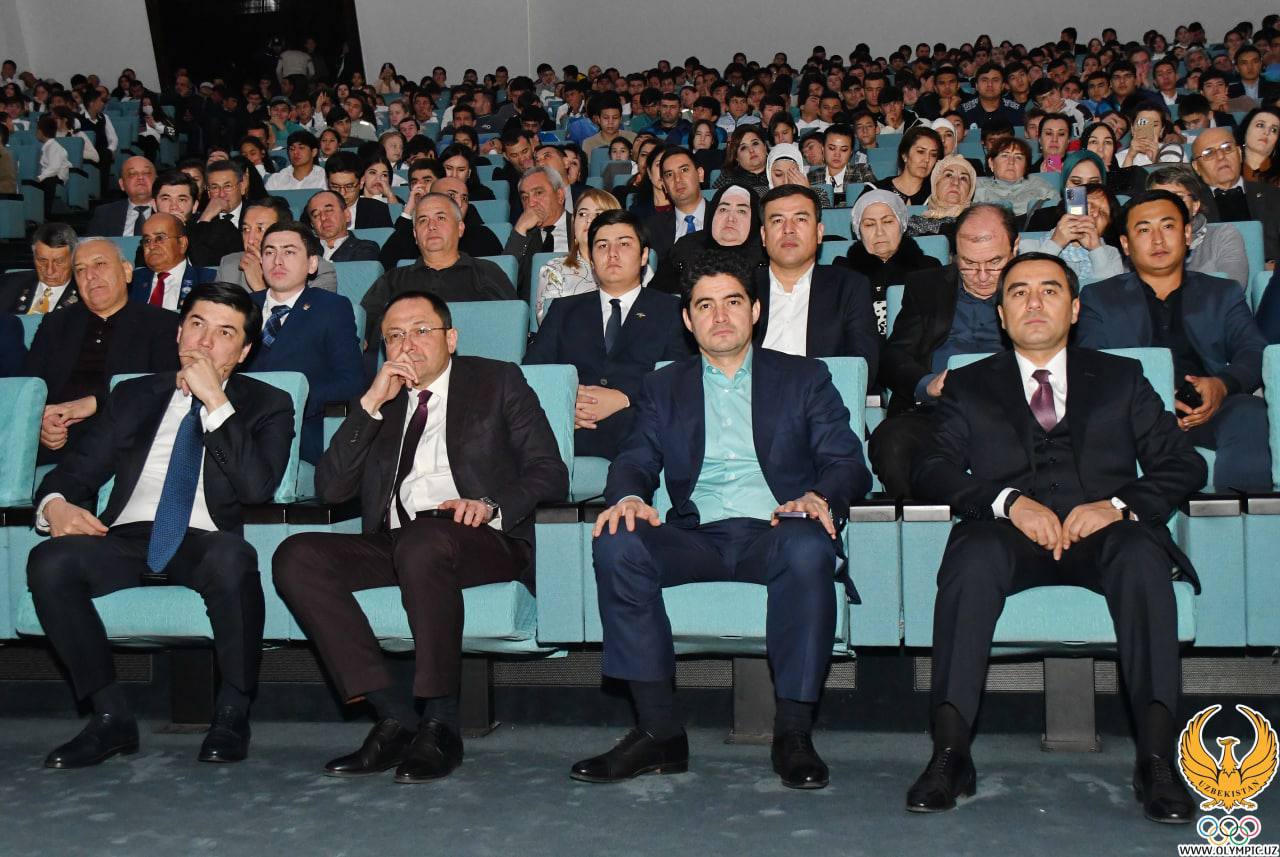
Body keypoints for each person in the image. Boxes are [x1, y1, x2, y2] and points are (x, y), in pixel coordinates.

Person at [905, 252, 1205, 824]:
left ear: (1074, 308)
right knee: (972, 555)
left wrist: (1116, 506)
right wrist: (1008, 502)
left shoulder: (1121, 377)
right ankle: (950, 754)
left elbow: (1183, 463)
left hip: (1106, 535)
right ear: (1000, 314)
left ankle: (1157, 760)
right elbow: (931, 468)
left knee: (1141, 555)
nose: (1034, 302)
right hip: (1007, 535)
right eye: (1018, 292)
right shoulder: (968, 384)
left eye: (1049, 290)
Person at [574, 249, 869, 789]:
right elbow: (635, 459)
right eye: (704, 305)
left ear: (754, 310)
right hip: (696, 535)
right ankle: (659, 732)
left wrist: (818, 496)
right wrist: (629, 497)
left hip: (777, 530)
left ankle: (793, 734)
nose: (720, 315)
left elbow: (847, 462)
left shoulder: (804, 377)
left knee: (809, 545)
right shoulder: (664, 386)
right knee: (618, 540)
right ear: (688, 321)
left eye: (732, 302)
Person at [273, 289, 568, 783]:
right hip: (399, 540)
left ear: (451, 339)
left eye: (420, 331)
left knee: (425, 541)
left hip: (482, 536)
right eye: (394, 336)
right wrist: (370, 403)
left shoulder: (497, 380)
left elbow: (549, 471)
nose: (407, 344)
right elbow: (331, 488)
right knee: (296, 555)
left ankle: (441, 722)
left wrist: (490, 505)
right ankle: (394, 716)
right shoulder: (383, 401)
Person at [28, 282, 294, 769]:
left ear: (244, 351)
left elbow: (256, 487)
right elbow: (76, 471)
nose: (205, 341)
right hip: (125, 535)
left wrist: (216, 402)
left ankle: (232, 713)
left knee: (232, 557)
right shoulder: (134, 394)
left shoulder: (268, 403)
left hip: (204, 539)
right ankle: (110, 717)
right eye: (197, 324)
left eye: (225, 332)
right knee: (49, 561)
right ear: (178, 333)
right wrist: (56, 506)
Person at [1078, 190, 1271, 493]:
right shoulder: (1099, 298)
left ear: (1187, 234)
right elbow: (1090, 365)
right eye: (1144, 230)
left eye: (1168, 226)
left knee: (1249, 411)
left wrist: (1222, 385)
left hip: (1206, 410)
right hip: (1133, 415)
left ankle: (1236, 513)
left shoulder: (1222, 293)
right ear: (1125, 244)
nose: (1158, 240)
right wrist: (1157, 403)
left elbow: (1254, 350)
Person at [870, 204, 1017, 497]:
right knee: (892, 441)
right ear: (954, 255)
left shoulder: (1035, 285)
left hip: (1013, 413)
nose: (982, 275)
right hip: (938, 412)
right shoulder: (927, 286)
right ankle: (920, 522)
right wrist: (927, 384)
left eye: (994, 262)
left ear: (1015, 248)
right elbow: (893, 357)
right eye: (969, 263)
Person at [525, 209, 688, 458]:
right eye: (602, 246)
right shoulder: (563, 310)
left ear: (644, 256)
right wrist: (564, 404)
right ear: (591, 260)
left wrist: (625, 398)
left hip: (640, 430)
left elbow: (681, 376)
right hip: (570, 430)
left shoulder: (672, 311)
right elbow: (533, 373)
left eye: (624, 244)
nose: (612, 253)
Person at [25, 238, 180, 464]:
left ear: (127, 272)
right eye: (80, 270)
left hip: (123, 437)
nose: (90, 275)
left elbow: (164, 387)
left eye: (100, 264)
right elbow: (28, 385)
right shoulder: (56, 323)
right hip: (55, 438)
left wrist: (95, 402)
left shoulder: (162, 324)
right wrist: (40, 423)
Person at [245, 221, 364, 464]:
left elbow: (351, 381)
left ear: (312, 264)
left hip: (298, 427)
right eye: (269, 252)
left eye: (289, 252)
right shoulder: (241, 307)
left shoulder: (331, 308)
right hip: (238, 424)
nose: (277, 261)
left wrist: (294, 402)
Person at [359, 193, 516, 347]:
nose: (431, 226)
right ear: (415, 234)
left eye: (441, 218)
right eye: (423, 220)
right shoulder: (392, 280)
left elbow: (511, 328)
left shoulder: (486, 272)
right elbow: (362, 333)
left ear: (460, 228)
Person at [752, 185, 878, 374]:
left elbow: (861, 368)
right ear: (763, 236)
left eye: (800, 219)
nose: (788, 229)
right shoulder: (742, 288)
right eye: (777, 220)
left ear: (819, 233)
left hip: (822, 390)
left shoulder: (849, 287)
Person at [836, 190, 940, 337]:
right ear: (858, 231)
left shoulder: (928, 269)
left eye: (888, 222)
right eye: (869, 224)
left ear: (902, 224)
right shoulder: (843, 273)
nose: (879, 232)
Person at [1019, 152, 1125, 281]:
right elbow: (1028, 280)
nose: (1095, 214)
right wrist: (1056, 243)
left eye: (1103, 213)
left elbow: (1112, 289)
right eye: (1089, 205)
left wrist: (1096, 250)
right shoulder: (1030, 245)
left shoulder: (1112, 254)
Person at [650, 182, 765, 295]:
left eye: (741, 211)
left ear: (755, 220)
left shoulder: (765, 255)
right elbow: (655, 297)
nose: (730, 218)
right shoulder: (686, 248)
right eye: (723, 209)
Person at [1147, 164, 1250, 287]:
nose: (1168, 206)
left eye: (1178, 197)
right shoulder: (1140, 242)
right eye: (1159, 199)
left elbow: (1233, 287)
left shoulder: (1222, 236)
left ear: (1195, 206)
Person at [1192, 127, 1280, 265]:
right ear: (1196, 166)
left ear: (1239, 153)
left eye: (1227, 148)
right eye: (1209, 153)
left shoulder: (1274, 195)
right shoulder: (1191, 206)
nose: (1221, 156)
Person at [533, 188, 621, 321]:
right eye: (582, 214)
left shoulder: (632, 266)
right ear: (574, 223)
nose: (589, 220)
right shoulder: (555, 270)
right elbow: (549, 324)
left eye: (598, 214)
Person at [380, 174, 504, 268]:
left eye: (464, 198)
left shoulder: (484, 237)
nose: (459, 203)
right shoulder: (408, 237)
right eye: (451, 196)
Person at [505, 166, 571, 302]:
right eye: (525, 198)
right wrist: (520, 229)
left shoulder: (581, 227)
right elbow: (503, 282)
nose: (531, 203)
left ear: (560, 196)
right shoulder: (522, 237)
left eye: (538, 193)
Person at [127, 213, 217, 311]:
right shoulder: (131, 281)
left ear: (182, 243)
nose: (151, 246)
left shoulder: (209, 280)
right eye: (147, 240)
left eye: (160, 238)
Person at [0, 222, 80, 314]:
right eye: (42, 260)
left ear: (74, 258)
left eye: (59, 262)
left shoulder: (86, 293)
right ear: (34, 256)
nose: (49, 271)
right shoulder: (5, 285)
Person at [644, 147, 706, 259]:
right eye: (669, 174)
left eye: (684, 170)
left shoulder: (723, 217)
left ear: (700, 174)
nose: (677, 179)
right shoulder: (652, 228)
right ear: (664, 185)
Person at [974, 137, 1058, 218]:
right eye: (1005, 155)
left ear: (1026, 166)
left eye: (1018, 157)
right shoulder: (976, 185)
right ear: (991, 163)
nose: (1011, 162)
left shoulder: (1040, 185)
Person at [906, 154, 976, 241]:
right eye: (948, 175)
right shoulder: (914, 224)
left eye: (963, 178)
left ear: (970, 190)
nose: (956, 182)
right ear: (935, 184)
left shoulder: (979, 222)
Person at [867, 127, 942, 205]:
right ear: (904, 155)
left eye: (933, 155)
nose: (927, 159)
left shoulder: (937, 196)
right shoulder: (875, 191)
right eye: (920, 152)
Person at [302, 190, 380, 262]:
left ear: (347, 215)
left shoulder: (365, 248)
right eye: (316, 215)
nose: (323, 217)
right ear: (312, 224)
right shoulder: (303, 250)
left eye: (329, 210)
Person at [807, 123, 875, 206]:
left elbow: (875, 198)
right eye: (832, 148)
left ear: (851, 153)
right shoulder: (812, 177)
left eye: (844, 150)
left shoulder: (862, 171)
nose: (837, 154)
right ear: (823, 149)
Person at [326, 152, 392, 229]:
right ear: (327, 183)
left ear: (361, 182)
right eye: (335, 186)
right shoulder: (318, 210)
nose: (342, 193)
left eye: (349, 186)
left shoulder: (377, 210)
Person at [711, 126, 770, 197]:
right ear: (736, 157)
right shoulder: (727, 178)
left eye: (755, 143)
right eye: (743, 147)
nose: (751, 150)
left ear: (765, 147)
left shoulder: (779, 171)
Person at [1238, 106, 1280, 186]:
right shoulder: (1228, 165)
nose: (1266, 132)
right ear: (1246, 130)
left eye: (1274, 130)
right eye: (1260, 125)